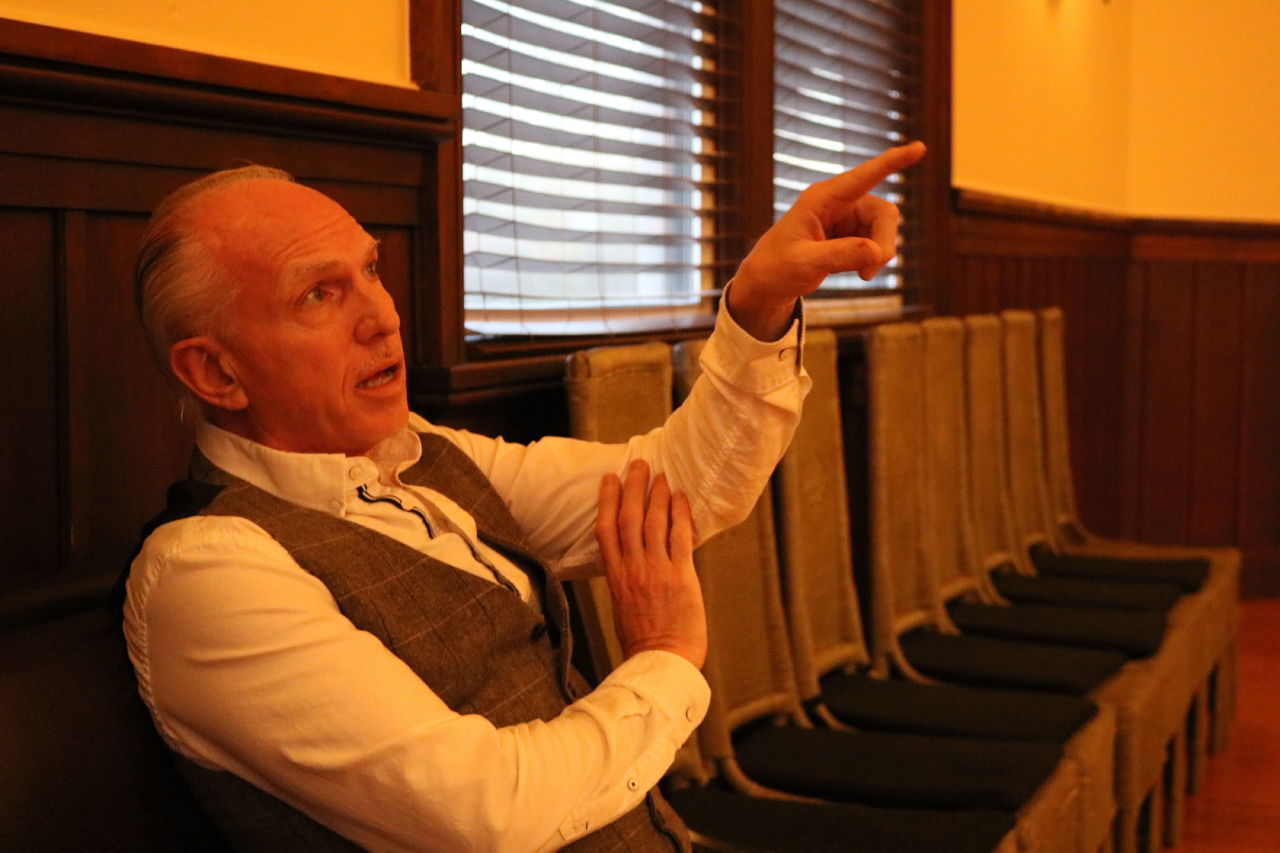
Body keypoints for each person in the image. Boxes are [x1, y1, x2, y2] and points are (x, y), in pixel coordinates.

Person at [122, 142, 926, 852]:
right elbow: (487, 818)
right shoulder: (208, 573)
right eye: (317, 295)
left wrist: (758, 304)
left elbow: (677, 489)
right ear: (216, 373)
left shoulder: (429, 456)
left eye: (369, 270)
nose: (382, 315)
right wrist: (666, 662)